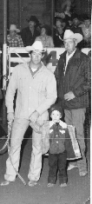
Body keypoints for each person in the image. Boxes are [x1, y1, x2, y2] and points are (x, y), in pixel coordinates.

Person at [0, 41, 57, 187]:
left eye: (39, 54)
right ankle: (10, 175)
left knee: (37, 147)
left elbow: (52, 97)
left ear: (42, 55)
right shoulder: (18, 70)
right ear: (30, 54)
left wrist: (37, 112)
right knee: (14, 145)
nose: (37, 56)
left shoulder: (48, 74)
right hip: (20, 114)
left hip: (40, 117)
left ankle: (34, 176)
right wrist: (10, 111)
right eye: (34, 53)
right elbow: (10, 91)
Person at [54, 29, 90, 177]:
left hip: (78, 104)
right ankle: (74, 161)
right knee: (69, 134)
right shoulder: (62, 58)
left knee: (79, 134)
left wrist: (75, 93)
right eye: (65, 42)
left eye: (70, 41)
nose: (67, 44)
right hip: (65, 104)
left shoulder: (83, 59)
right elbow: (56, 78)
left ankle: (82, 165)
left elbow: (90, 81)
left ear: (75, 42)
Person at [41, 104, 81, 188]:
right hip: (52, 151)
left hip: (62, 152)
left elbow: (70, 139)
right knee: (52, 167)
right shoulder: (47, 126)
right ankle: (51, 181)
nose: (55, 116)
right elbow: (44, 136)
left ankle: (63, 181)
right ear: (50, 115)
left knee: (62, 167)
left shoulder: (65, 126)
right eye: (53, 114)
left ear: (61, 116)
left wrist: (66, 128)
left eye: (57, 114)